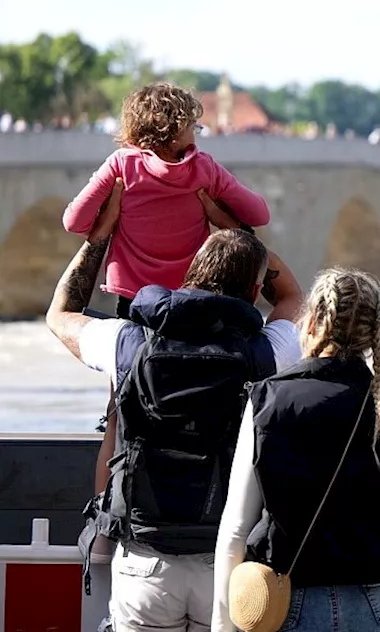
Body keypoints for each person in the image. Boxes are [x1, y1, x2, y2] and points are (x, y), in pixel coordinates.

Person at [45, 185, 305, 632]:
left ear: (191, 272)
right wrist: (238, 232)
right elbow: (294, 301)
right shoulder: (263, 353)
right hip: (226, 558)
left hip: (146, 559)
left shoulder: (129, 344)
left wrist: (101, 236)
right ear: (255, 289)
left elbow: (61, 313)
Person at [212, 268, 380, 632]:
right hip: (378, 607)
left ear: (312, 321)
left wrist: (222, 625)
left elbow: (235, 529)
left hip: (290, 603)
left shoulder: (270, 400)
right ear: (374, 334)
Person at [61, 81, 271, 317]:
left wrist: (109, 217)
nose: (197, 135)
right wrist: (218, 214)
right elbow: (259, 215)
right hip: (189, 296)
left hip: (134, 298)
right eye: (195, 127)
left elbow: (74, 222)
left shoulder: (121, 165)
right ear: (177, 132)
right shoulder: (204, 169)